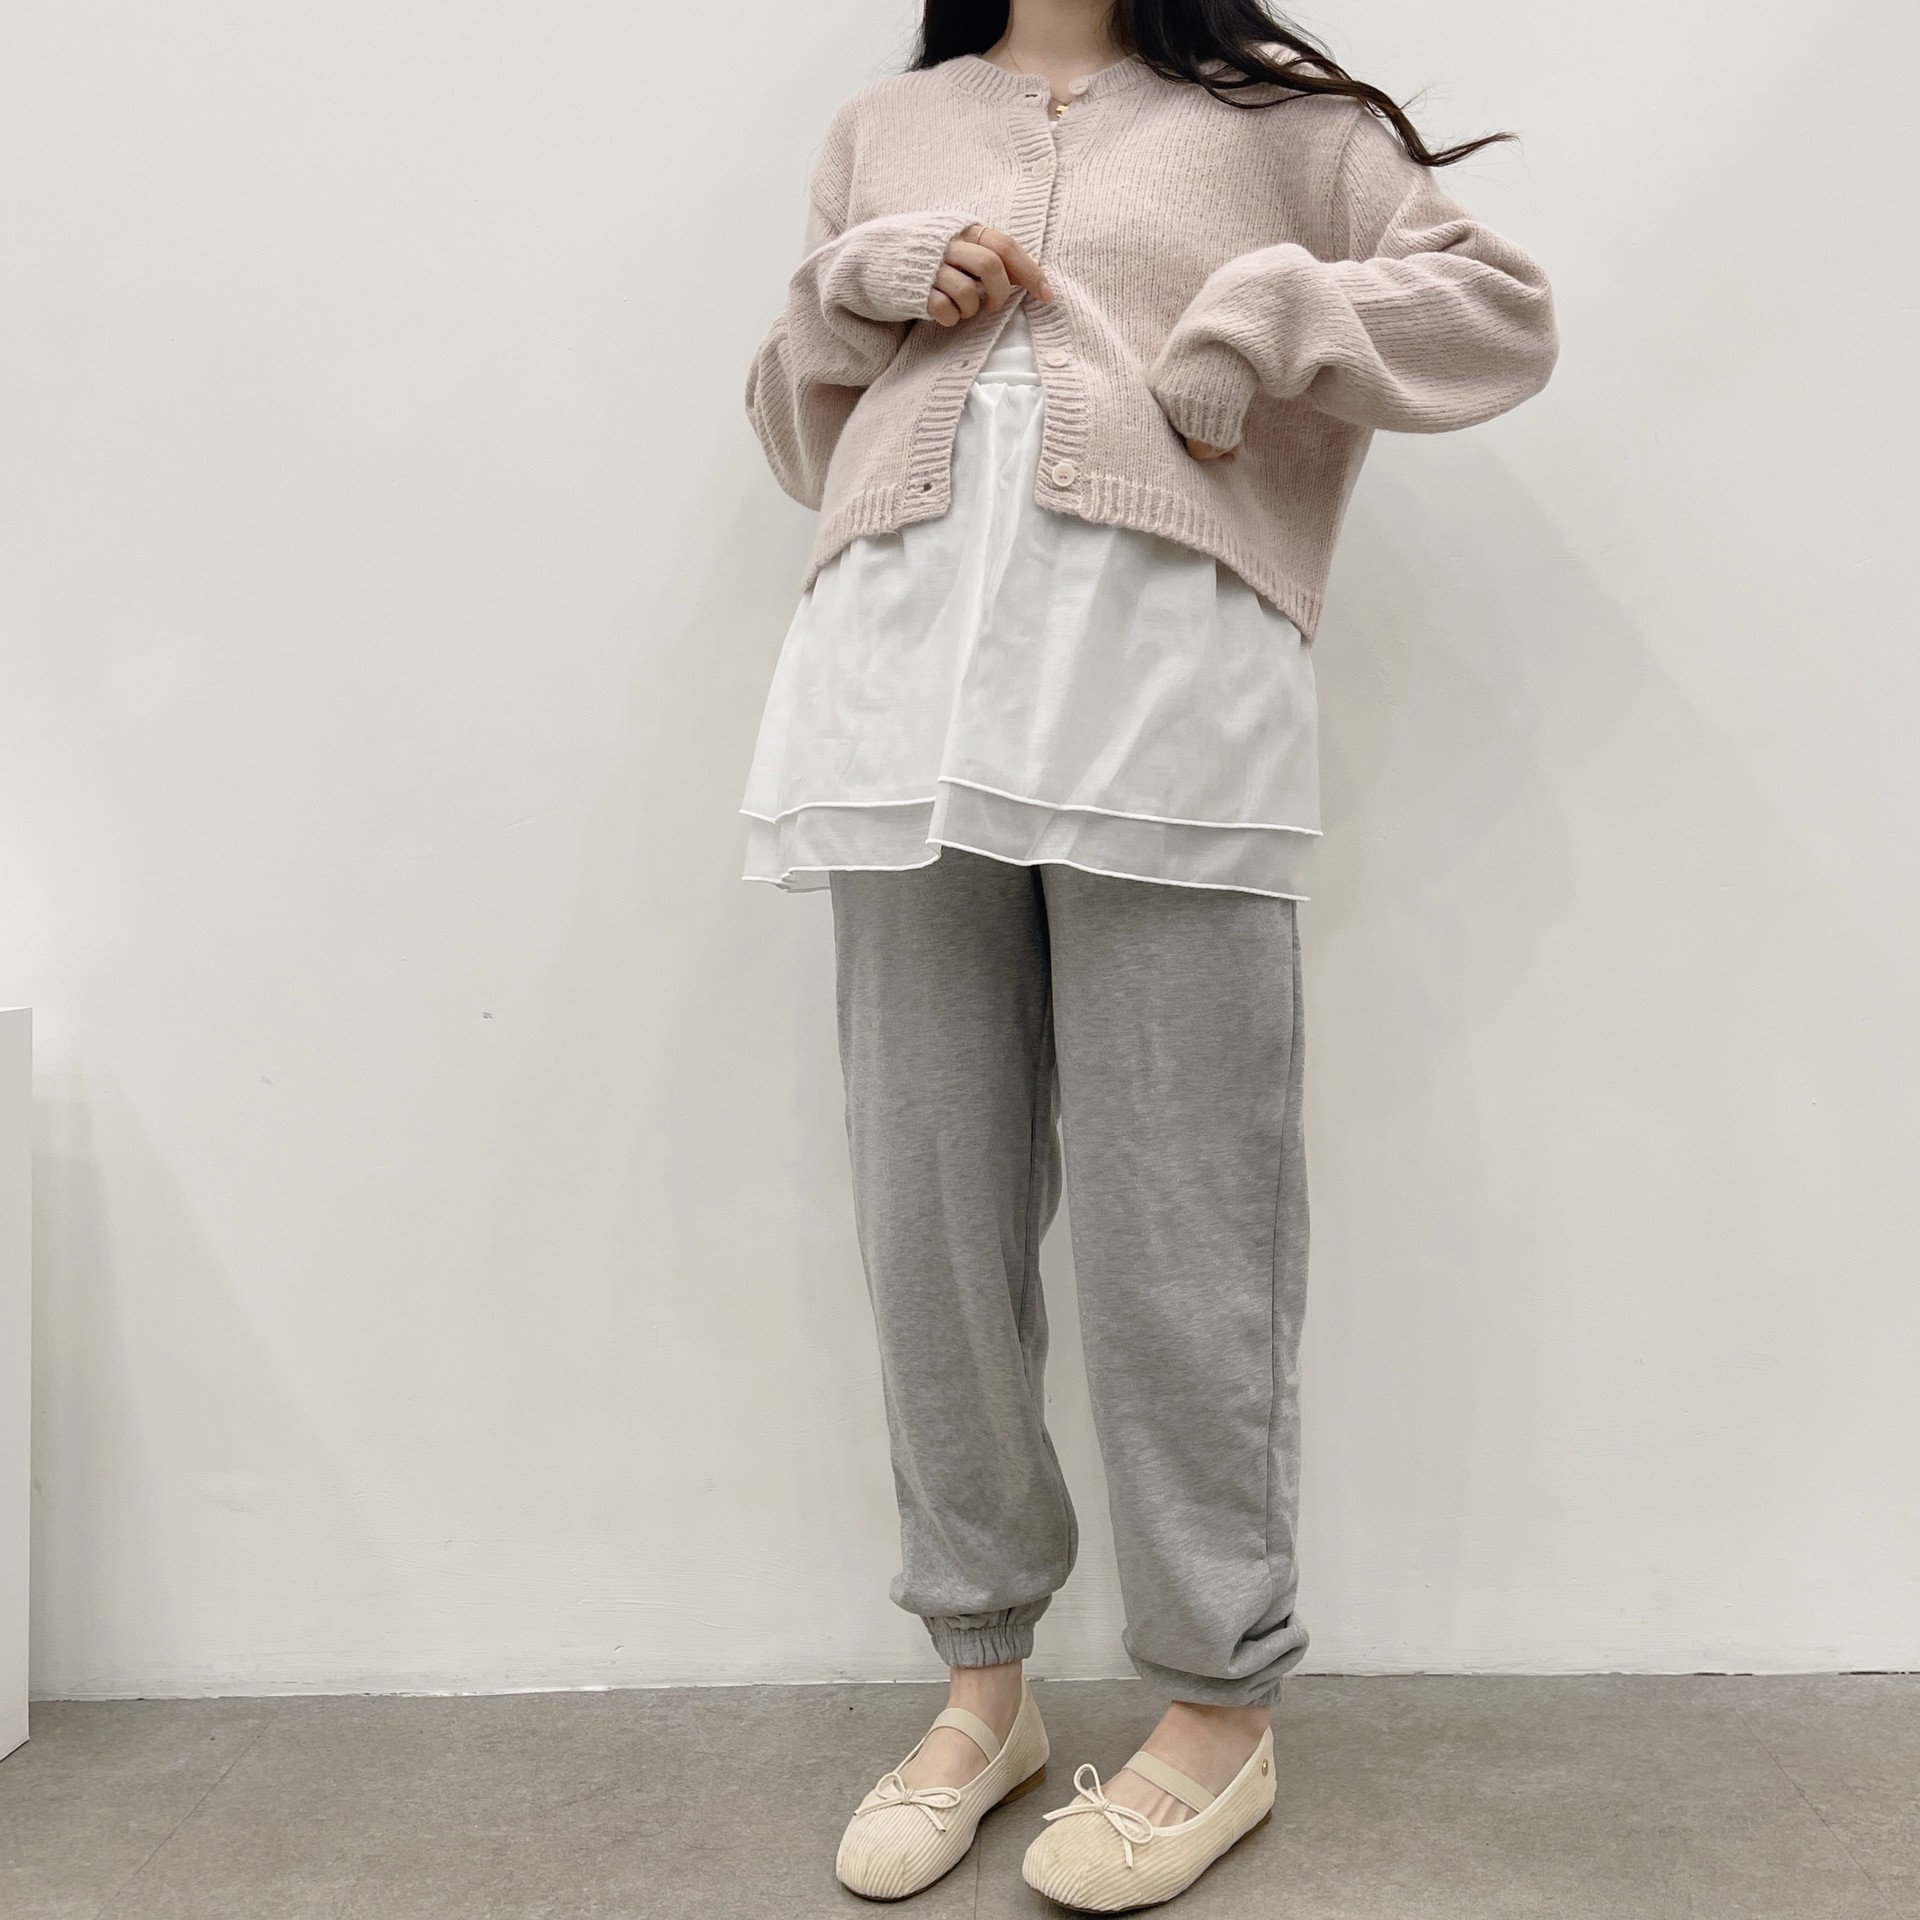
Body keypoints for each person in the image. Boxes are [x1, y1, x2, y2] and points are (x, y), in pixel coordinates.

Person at [738, 0, 1557, 1906]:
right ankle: (983, 1683)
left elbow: (1498, 312)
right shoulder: (882, 125)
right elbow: (792, 432)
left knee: (1183, 1215)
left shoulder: (1279, 121)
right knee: (930, 1208)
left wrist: (1273, 306)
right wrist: (849, 295)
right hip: (894, 700)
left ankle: (1214, 1705)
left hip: (1162, 696)